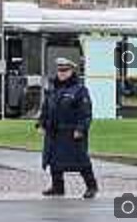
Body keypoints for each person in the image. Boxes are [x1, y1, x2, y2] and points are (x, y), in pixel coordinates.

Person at [37, 57, 98, 199]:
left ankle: (91, 186)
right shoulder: (53, 89)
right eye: (60, 70)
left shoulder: (80, 90)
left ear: (72, 71)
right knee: (53, 160)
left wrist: (80, 129)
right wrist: (41, 123)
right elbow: (46, 108)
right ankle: (57, 187)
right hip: (54, 131)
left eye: (65, 70)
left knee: (81, 160)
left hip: (71, 132)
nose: (62, 73)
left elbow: (86, 113)